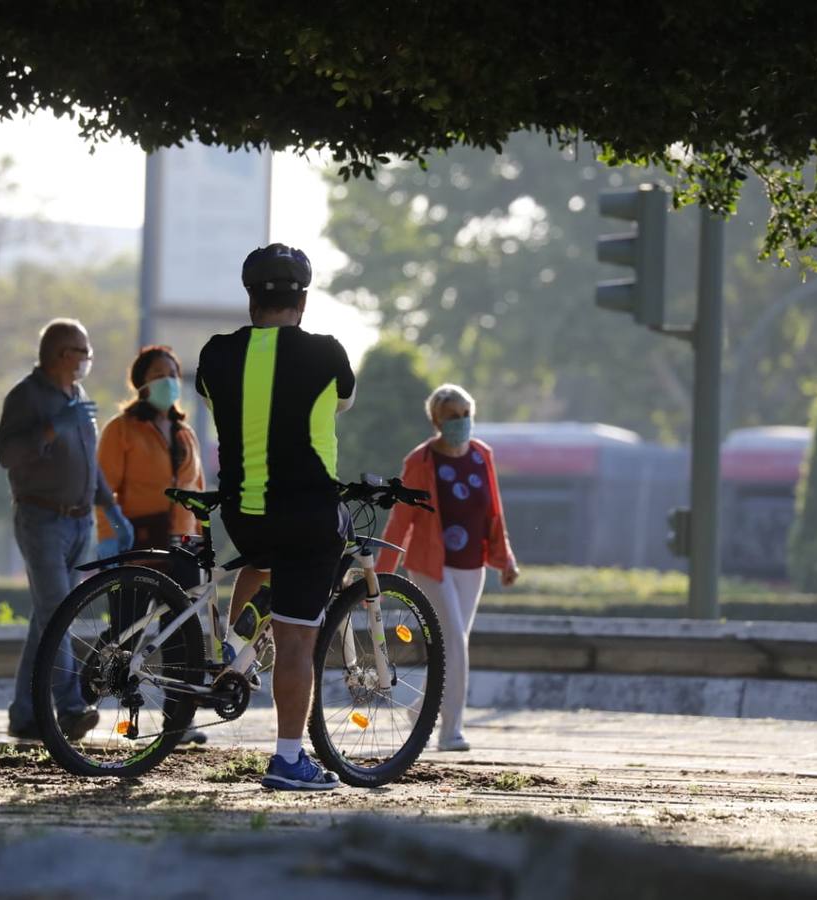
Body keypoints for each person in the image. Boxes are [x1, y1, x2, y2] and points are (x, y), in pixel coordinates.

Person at [196, 242, 355, 791]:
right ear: (303, 299)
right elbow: (340, 404)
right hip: (308, 514)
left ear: (249, 299)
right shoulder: (327, 353)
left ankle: (235, 659)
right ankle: (289, 758)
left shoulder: (215, 355)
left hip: (243, 512)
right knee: (297, 641)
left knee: (260, 561)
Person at [0, 317, 135, 742]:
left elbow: (89, 464)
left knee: (46, 620)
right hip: (41, 521)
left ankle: (24, 713)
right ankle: (72, 708)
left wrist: (112, 512)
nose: (87, 360)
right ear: (61, 355)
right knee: (59, 613)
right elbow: (7, 453)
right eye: (83, 352)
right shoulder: (27, 396)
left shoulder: (78, 395)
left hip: (79, 523)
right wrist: (53, 427)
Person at [376, 384, 519, 752]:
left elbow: (493, 511)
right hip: (430, 566)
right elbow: (400, 522)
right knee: (454, 641)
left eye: (466, 415)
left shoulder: (482, 454)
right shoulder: (420, 461)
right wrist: (378, 576)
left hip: (473, 566)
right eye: (453, 416)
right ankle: (450, 731)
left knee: (453, 646)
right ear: (437, 420)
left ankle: (419, 709)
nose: (461, 422)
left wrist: (505, 559)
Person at [95, 344, 211, 745]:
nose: (169, 381)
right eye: (160, 373)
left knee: (182, 634)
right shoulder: (121, 429)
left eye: (174, 373)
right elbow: (103, 490)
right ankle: (93, 687)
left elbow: (196, 489)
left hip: (183, 542)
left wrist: (200, 538)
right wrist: (111, 537)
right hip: (138, 541)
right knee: (127, 628)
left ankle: (180, 720)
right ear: (141, 382)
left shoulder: (185, 432)